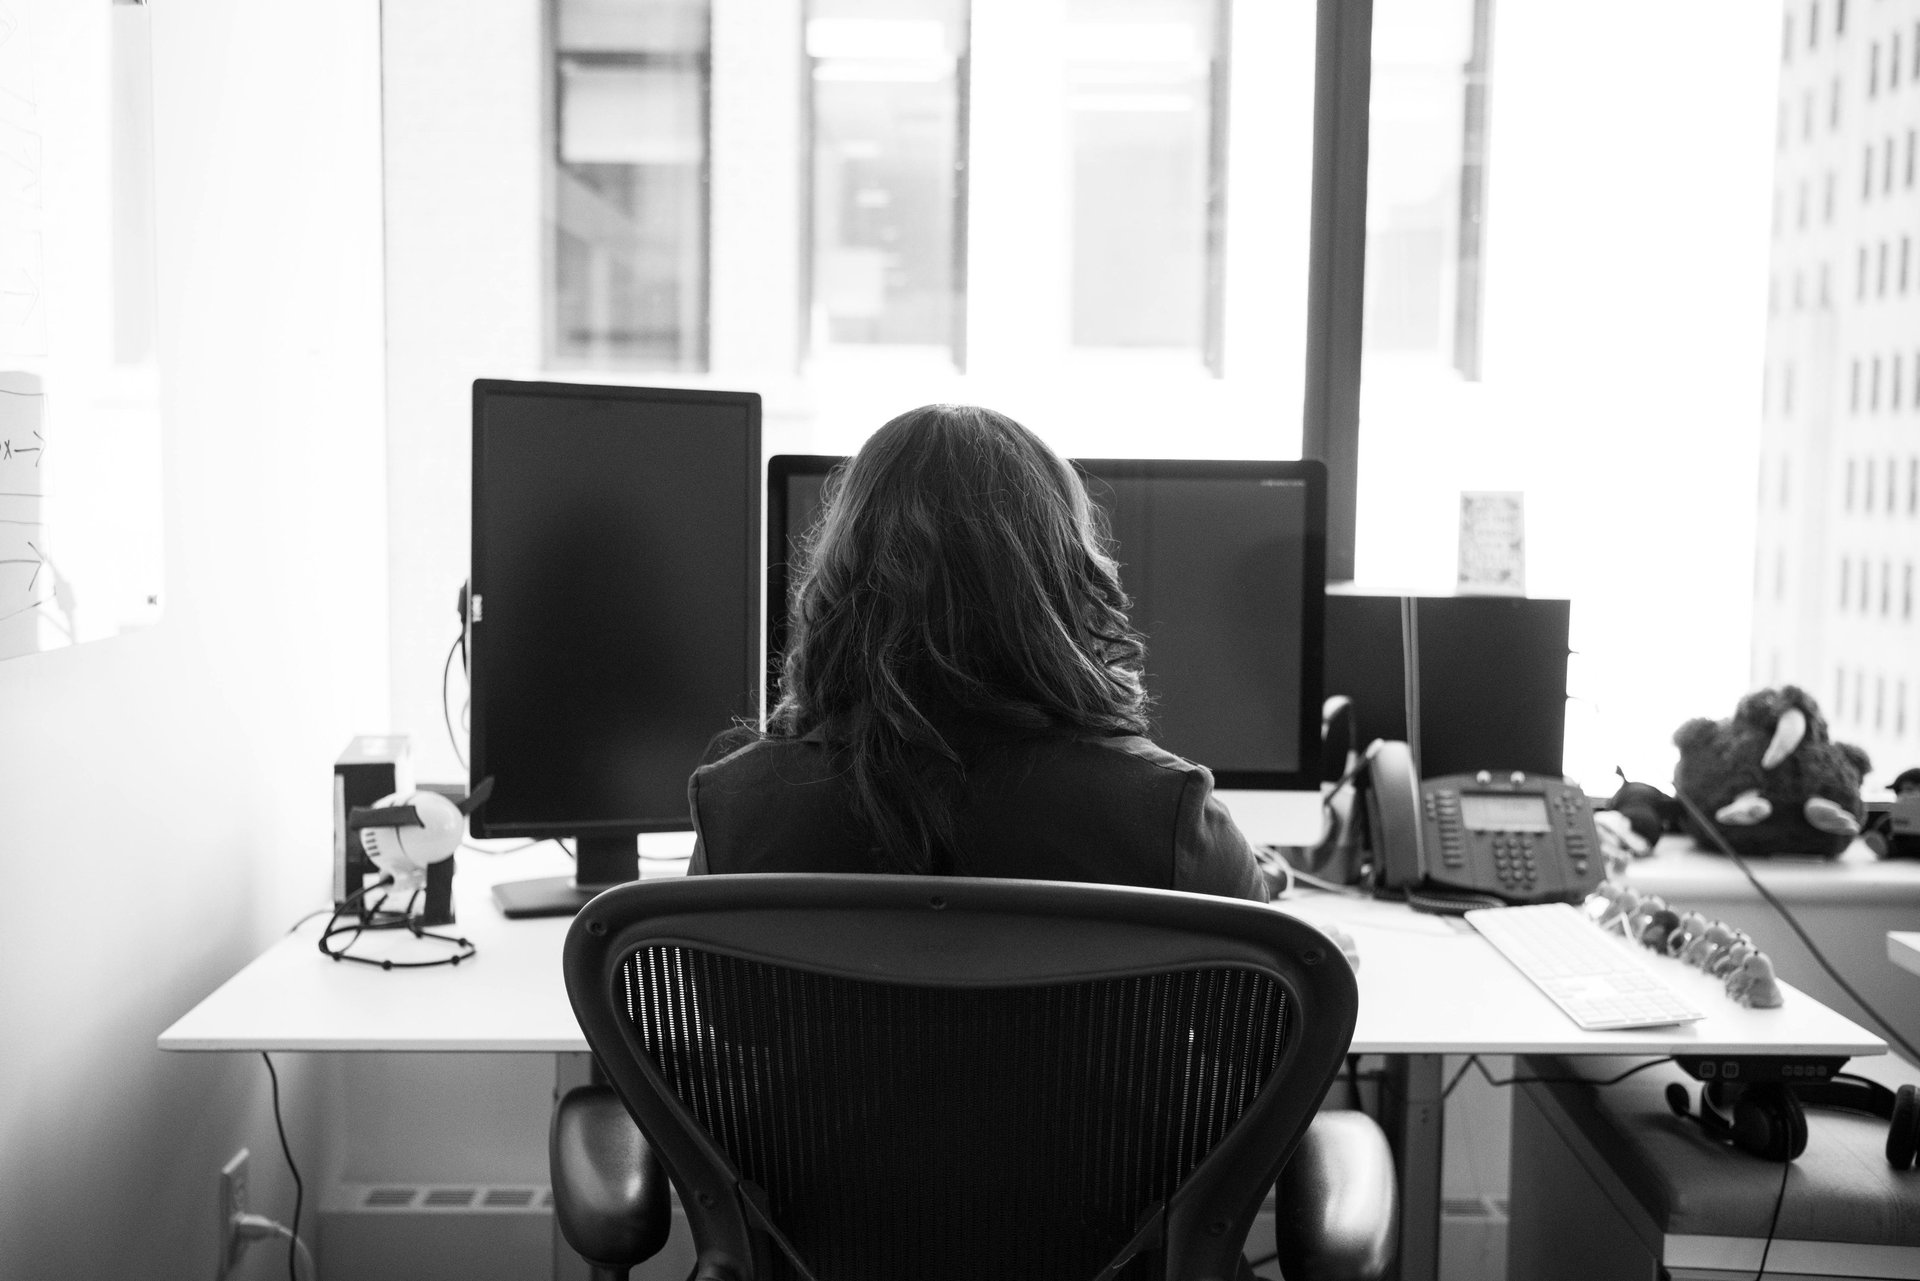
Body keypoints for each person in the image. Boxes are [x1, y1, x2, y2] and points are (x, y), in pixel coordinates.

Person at [686, 403, 1267, 903]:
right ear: (1062, 583)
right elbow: (1263, 1021)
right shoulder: (1168, 815)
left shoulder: (735, 811)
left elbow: (710, 1008)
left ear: (843, 581)